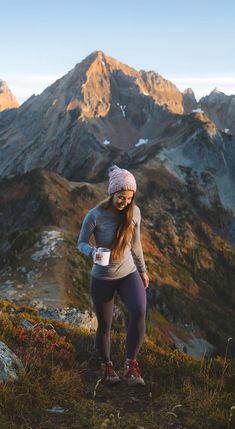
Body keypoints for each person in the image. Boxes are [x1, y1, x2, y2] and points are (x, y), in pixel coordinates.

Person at [77, 165, 149, 386]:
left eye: (129, 198)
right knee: (105, 325)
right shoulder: (95, 215)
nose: (125, 202)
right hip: (102, 277)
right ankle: (107, 366)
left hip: (128, 273)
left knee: (139, 311)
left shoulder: (134, 212)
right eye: (121, 197)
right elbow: (80, 243)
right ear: (112, 193)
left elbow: (136, 245)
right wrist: (93, 252)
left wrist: (143, 270)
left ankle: (131, 365)